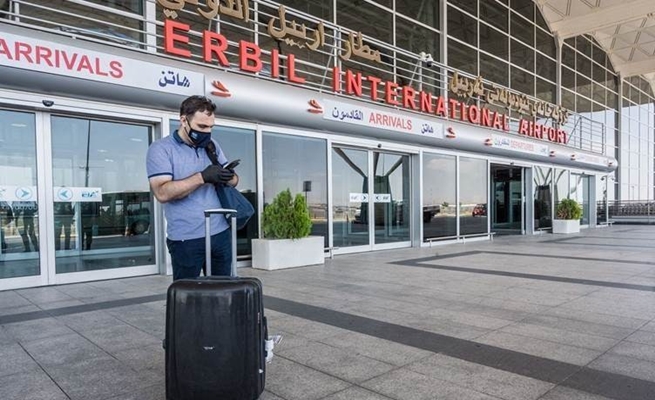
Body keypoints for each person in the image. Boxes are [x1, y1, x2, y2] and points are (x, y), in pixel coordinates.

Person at [146, 95, 238, 280]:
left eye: (211, 127)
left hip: (220, 233)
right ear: (183, 120)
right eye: (202, 127)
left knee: (222, 291)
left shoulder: (212, 145)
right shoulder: (161, 149)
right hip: (186, 239)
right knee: (187, 294)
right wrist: (202, 177)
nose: (207, 132)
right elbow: (162, 193)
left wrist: (228, 176)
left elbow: (235, 182)